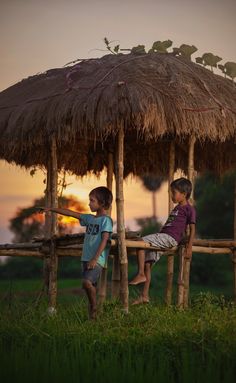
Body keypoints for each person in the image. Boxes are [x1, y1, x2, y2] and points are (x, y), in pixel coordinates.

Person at [39, 186, 113, 319]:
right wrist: (51, 209)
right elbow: (70, 213)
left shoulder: (106, 220)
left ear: (101, 203)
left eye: (92, 200)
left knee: (86, 283)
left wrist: (95, 259)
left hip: (97, 259)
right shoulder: (90, 219)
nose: (89, 203)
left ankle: (94, 307)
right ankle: (93, 318)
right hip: (85, 258)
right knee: (90, 286)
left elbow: (105, 240)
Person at [129, 177, 196, 305]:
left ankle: (140, 273)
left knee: (140, 241)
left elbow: (192, 229)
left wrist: (189, 247)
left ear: (184, 194)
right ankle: (144, 296)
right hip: (164, 237)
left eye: (174, 193)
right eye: (171, 192)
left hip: (169, 238)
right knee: (148, 263)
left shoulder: (189, 209)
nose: (172, 195)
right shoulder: (176, 209)